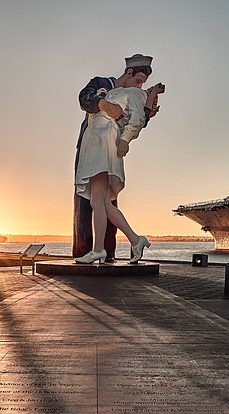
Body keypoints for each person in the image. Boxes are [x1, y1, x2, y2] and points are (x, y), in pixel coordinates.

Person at [73, 54, 160, 261]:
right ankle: (133, 240)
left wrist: (126, 140)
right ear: (129, 73)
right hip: (91, 145)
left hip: (103, 145)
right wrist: (103, 103)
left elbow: (137, 120)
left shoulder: (133, 93)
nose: (139, 86)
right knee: (100, 202)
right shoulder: (102, 84)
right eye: (138, 80)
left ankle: (101, 250)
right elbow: (84, 98)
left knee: (98, 201)